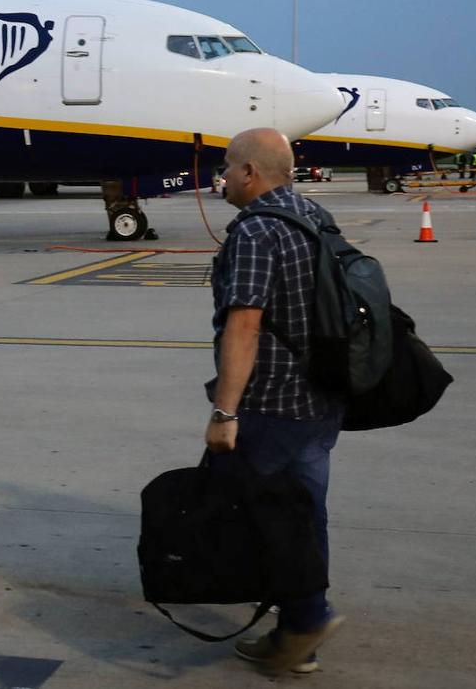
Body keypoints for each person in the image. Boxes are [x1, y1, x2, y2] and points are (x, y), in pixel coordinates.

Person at [205, 128, 346, 674]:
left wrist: (224, 412)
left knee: (269, 518)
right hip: (322, 397)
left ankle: (305, 617)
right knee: (308, 511)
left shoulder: (258, 230)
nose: (221, 176)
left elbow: (245, 324)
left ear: (249, 172)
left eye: (227, 166)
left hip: (273, 401)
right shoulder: (313, 216)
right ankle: (300, 634)